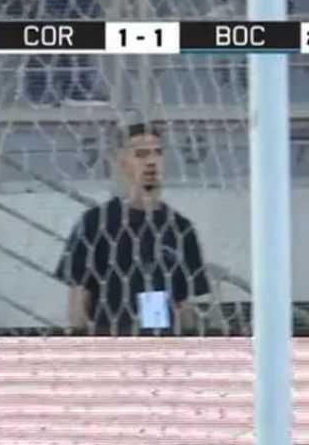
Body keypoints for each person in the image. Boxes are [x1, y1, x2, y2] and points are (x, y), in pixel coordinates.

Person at [54, 120, 212, 335]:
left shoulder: (181, 229)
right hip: (111, 346)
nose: (151, 162)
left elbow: (184, 302)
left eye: (157, 153)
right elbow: (79, 297)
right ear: (122, 161)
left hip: (161, 345)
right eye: (141, 154)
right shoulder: (95, 223)